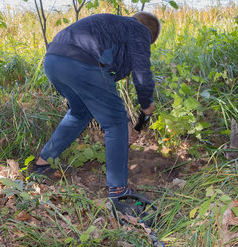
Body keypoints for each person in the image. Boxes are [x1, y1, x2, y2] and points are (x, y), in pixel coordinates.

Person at [33, 12, 161, 199]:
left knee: (80, 112)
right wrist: (146, 104)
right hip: (82, 62)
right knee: (115, 124)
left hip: (53, 60)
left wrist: (126, 120)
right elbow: (141, 72)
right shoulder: (139, 29)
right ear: (149, 35)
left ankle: (42, 164)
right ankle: (119, 191)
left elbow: (103, 89)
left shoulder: (114, 27)